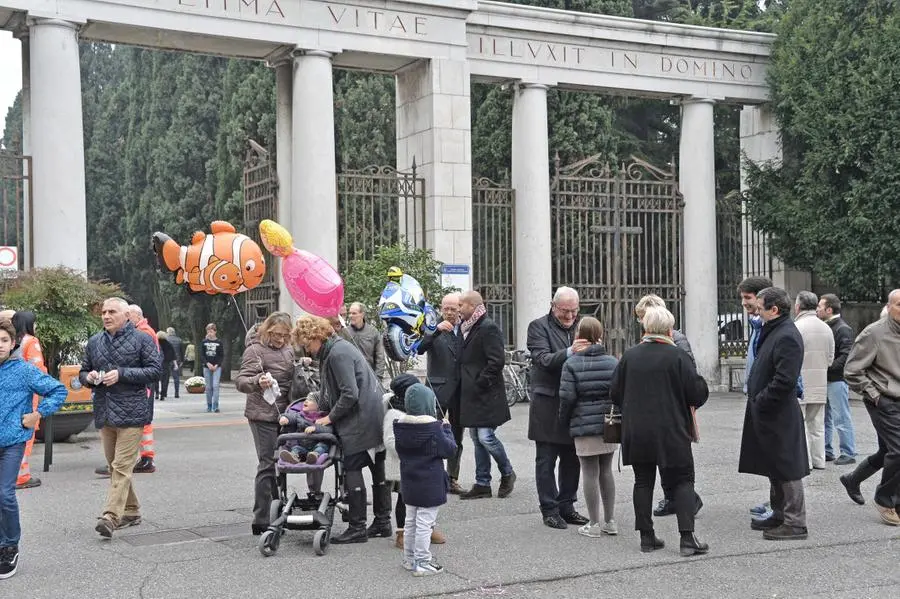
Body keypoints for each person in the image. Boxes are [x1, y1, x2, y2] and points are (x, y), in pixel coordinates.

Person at [611, 306, 709, 556]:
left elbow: (614, 393)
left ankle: (647, 537)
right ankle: (687, 539)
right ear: (668, 330)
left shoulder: (630, 356)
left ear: (644, 329)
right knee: (683, 480)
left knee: (643, 481)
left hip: (637, 430)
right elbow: (696, 394)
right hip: (672, 430)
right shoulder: (677, 356)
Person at [292, 315, 387, 543]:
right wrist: (319, 405)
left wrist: (329, 418)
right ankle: (382, 522)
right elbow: (334, 392)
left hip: (361, 418)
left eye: (307, 343)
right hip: (372, 414)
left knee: (352, 467)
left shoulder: (337, 354)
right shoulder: (336, 350)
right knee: (377, 469)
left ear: (316, 336)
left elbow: (349, 393)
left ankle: (357, 527)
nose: (307, 349)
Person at [80, 298, 162, 538]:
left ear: (126, 315)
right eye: (104, 312)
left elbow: (155, 371)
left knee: (121, 466)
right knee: (115, 467)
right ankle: (132, 510)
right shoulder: (94, 342)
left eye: (112, 312)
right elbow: (83, 371)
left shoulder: (142, 339)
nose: (106, 316)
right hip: (105, 410)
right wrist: (90, 377)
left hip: (132, 411)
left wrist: (122, 374)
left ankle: (111, 516)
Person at [739, 287, 810, 541]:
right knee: (774, 465)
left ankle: (795, 522)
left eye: (760, 308)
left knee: (787, 466)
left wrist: (761, 400)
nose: (756, 312)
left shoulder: (787, 335)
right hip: (769, 412)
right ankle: (779, 513)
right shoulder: (774, 331)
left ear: (774, 310)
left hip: (778, 413)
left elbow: (785, 379)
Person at [0, 317, 67, 579]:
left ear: (13, 343)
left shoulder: (24, 370)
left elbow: (58, 391)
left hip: (13, 442)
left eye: (4, 341)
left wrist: (37, 414)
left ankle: (9, 545)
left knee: (4, 494)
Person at [632, 294, 703, 518]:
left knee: (676, 464)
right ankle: (673, 498)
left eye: (642, 317)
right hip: (661, 408)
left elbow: (689, 374)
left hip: (672, 408)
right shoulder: (651, 340)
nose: (640, 322)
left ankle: (684, 499)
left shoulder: (676, 341)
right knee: (666, 461)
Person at [526, 286, 589, 528]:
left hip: (574, 404)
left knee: (573, 459)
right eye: (565, 311)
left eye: (574, 311)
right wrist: (571, 351)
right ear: (554, 307)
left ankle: (567, 506)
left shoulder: (581, 325)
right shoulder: (538, 327)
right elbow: (543, 360)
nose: (571, 316)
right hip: (547, 403)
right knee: (546, 460)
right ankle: (549, 509)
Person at [234, 312, 295, 535]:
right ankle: (260, 518)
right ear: (268, 331)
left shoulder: (289, 350)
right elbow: (240, 381)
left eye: (285, 336)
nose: (280, 340)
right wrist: (256, 381)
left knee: (282, 464)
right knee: (267, 464)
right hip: (261, 415)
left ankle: (277, 512)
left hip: (285, 414)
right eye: (277, 335)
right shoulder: (255, 350)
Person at [558, 316, 619, 537]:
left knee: (589, 472)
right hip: (608, 423)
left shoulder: (571, 363)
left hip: (583, 423)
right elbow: (619, 393)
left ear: (578, 335)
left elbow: (567, 398)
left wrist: (564, 421)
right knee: (606, 471)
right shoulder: (613, 362)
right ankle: (610, 521)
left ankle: (593, 523)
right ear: (600, 335)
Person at [843, 290, 900, 526]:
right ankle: (886, 499)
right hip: (884, 400)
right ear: (889, 306)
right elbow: (852, 370)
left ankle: (852, 479)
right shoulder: (874, 333)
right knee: (899, 451)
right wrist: (875, 395)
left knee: (887, 450)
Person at [456, 291, 516, 501]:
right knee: (476, 437)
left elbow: (496, 361)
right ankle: (482, 482)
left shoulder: (487, 327)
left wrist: (480, 381)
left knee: (485, 437)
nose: (458, 308)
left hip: (487, 393)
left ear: (473, 306)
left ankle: (507, 472)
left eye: (461, 305)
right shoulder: (466, 327)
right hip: (473, 394)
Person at [393, 383, 457, 576]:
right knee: (425, 524)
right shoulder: (434, 429)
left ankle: (409, 558)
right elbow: (450, 450)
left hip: (409, 483)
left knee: (411, 521)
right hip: (430, 484)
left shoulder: (400, 427)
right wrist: (447, 429)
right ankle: (422, 561)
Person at [738, 276, 776, 520]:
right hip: (758, 396)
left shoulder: (770, 328)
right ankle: (776, 501)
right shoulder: (757, 325)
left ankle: (779, 506)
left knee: (778, 455)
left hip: (768, 399)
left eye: (748, 298)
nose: (744, 303)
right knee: (769, 455)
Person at [417, 292, 463, 493]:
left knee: (457, 437)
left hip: (461, 390)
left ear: (460, 308)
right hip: (437, 388)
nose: (449, 313)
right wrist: (435, 331)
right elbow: (419, 348)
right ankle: (433, 476)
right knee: (433, 433)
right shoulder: (432, 326)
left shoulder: (465, 328)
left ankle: (452, 478)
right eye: (446, 309)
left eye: (453, 309)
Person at [794, 291, 834, 470]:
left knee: (800, 424)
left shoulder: (796, 327)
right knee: (817, 425)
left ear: (798, 306)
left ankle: (806, 462)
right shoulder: (826, 328)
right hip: (820, 381)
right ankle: (819, 460)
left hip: (801, 382)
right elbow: (831, 358)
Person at [816, 294, 857, 465]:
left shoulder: (842, 329)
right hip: (828, 378)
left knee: (841, 417)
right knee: (825, 417)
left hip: (836, 380)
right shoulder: (828, 326)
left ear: (829, 309)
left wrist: (827, 367)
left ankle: (848, 452)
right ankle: (827, 451)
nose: (817, 309)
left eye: (820, 306)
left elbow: (846, 355)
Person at [10, 311, 47, 490]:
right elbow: (36, 369)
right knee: (26, 432)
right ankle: (21, 476)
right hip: (26, 395)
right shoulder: (30, 341)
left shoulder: (9, 341)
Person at [278, 394, 331, 465]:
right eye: (306, 399)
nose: (305, 401)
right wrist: (284, 418)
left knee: (321, 446)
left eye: (310, 400)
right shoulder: (300, 415)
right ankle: (294, 457)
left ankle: (315, 455)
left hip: (318, 444)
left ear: (319, 405)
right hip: (303, 446)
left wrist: (316, 428)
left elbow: (329, 430)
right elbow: (291, 417)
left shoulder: (325, 419)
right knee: (296, 448)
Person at [347, 302, 387, 382]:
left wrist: (378, 377)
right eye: (350, 313)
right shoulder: (345, 332)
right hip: (350, 378)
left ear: (362, 314)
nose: (351, 316)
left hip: (369, 377)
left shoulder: (373, 332)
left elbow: (380, 356)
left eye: (354, 313)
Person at [201, 323, 224, 413]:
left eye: (211, 331)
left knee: (215, 385)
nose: (209, 333)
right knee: (208, 387)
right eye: (208, 331)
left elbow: (221, 356)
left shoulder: (219, 342)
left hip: (216, 367)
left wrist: (216, 365)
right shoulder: (204, 342)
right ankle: (209, 405)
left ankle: (215, 405)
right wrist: (207, 364)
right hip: (207, 367)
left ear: (215, 332)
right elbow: (202, 355)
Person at [157, 331, 176, 401]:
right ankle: (163, 393)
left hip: (157, 363)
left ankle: (156, 392)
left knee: (156, 378)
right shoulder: (168, 344)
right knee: (165, 379)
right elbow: (172, 354)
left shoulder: (156, 343)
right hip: (166, 363)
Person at [166, 327, 184, 399]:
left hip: (167, 360)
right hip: (177, 360)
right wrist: (182, 361)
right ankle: (176, 393)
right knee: (176, 378)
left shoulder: (166, 340)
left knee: (166, 377)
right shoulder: (179, 340)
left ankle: (165, 392)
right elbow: (182, 352)